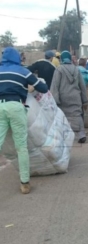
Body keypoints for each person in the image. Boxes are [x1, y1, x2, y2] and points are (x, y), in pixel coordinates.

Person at [0, 47, 48, 194]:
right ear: (17, 58)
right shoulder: (23, 71)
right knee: (21, 147)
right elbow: (43, 88)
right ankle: (25, 183)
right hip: (16, 106)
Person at [50, 51, 88, 144]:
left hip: (63, 97)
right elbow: (82, 86)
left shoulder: (59, 69)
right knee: (77, 114)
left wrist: (55, 100)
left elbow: (55, 86)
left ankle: (63, 135)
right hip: (76, 96)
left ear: (62, 59)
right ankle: (81, 134)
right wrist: (85, 100)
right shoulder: (76, 70)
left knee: (63, 116)